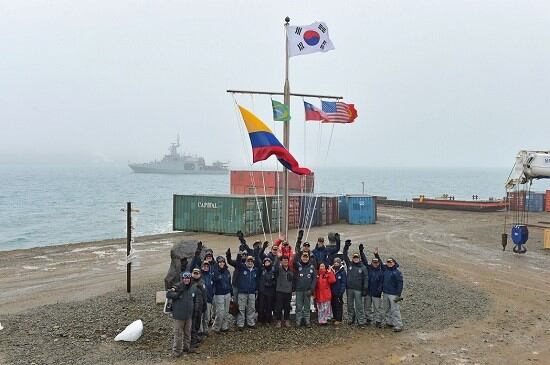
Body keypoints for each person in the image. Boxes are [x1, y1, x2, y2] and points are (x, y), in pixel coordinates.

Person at [166, 272, 194, 357]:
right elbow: (168, 294)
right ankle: (177, 351)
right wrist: (178, 294)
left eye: (188, 278)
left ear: (190, 279)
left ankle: (186, 348)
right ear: (182, 278)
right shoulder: (178, 286)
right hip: (178, 317)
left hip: (188, 316)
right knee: (178, 334)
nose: (186, 279)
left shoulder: (191, 287)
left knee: (188, 333)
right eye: (185, 278)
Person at [343, 240, 368, 326]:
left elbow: (366, 278)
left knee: (359, 306)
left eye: (357, 258)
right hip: (349, 289)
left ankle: (360, 320)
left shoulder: (363, 267)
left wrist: (365, 288)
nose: (355, 259)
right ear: (352, 258)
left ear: (359, 258)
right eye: (354, 258)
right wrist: (346, 247)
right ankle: (351, 318)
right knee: (349, 305)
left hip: (358, 290)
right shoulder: (349, 265)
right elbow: (344, 256)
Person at [360, 245, 384, 327]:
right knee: (367, 307)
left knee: (377, 308)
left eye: (376, 262)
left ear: (378, 263)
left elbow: (382, 283)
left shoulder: (381, 272)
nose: (375, 264)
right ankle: (368, 319)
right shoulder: (368, 268)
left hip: (376, 293)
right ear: (372, 263)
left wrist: (379, 290)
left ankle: (378, 321)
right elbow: (364, 260)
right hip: (368, 292)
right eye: (374, 262)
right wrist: (361, 251)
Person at [235, 253, 259, 329]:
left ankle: (250, 323)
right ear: (246, 262)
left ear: (253, 262)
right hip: (242, 292)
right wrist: (239, 256)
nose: (250, 262)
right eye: (248, 261)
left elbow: (257, 281)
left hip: (252, 292)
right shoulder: (242, 268)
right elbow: (238, 263)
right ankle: (240, 324)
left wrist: (256, 289)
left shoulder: (256, 270)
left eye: (251, 261)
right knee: (241, 308)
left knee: (251, 308)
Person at [293, 251, 317, 327]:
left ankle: (307, 321)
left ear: (308, 258)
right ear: (301, 257)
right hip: (299, 290)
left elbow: (314, 279)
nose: (305, 258)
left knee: (307, 306)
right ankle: (298, 321)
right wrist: (299, 246)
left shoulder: (312, 267)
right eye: (303, 257)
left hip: (308, 290)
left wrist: (312, 289)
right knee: (298, 306)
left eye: (306, 257)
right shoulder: (298, 265)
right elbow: (294, 259)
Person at [381, 256, 404, 332]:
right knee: (386, 309)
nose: (389, 263)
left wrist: (398, 295)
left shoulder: (397, 272)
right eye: (388, 262)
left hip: (393, 294)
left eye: (391, 262)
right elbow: (380, 263)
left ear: (394, 263)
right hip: (385, 293)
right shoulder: (385, 270)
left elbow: (400, 284)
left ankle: (398, 325)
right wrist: (376, 255)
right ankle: (389, 322)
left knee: (395, 309)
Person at [211, 255, 232, 333]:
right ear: (217, 263)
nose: (222, 263)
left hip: (227, 293)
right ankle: (216, 327)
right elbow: (213, 280)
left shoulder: (227, 271)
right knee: (220, 312)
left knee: (226, 312)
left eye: (223, 262)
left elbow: (229, 283)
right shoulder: (215, 271)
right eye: (220, 262)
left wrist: (231, 293)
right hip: (218, 294)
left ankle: (224, 326)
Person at [274, 255, 294, 328]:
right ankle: (278, 320)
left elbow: (293, 280)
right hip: (280, 291)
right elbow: (275, 267)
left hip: (288, 291)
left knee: (287, 307)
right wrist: (277, 259)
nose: (285, 261)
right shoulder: (278, 269)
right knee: (279, 307)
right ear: (281, 261)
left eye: (286, 260)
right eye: (284, 260)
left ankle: (287, 320)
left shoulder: (291, 270)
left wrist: (293, 289)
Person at [190, 268, 207, 351]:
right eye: (194, 273)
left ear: (200, 274)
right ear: (192, 274)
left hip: (200, 307)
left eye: (197, 273)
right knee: (192, 326)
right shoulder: (189, 283)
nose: (196, 274)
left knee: (197, 324)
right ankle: (192, 342)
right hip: (192, 309)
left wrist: (205, 304)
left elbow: (204, 295)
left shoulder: (202, 282)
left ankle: (195, 337)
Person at [257, 257, 277, 325]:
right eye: (265, 262)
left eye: (268, 262)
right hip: (262, 291)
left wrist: (271, 284)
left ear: (270, 263)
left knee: (269, 307)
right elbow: (258, 259)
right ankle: (260, 320)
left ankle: (268, 321)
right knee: (261, 306)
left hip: (270, 292)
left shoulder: (273, 271)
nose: (267, 263)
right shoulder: (261, 270)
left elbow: (275, 281)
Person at [330, 257, 347, 325]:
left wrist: (341, 291)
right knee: (333, 304)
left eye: (337, 262)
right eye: (335, 262)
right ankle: (334, 317)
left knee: (339, 305)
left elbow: (343, 282)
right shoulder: (331, 270)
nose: (336, 263)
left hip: (338, 291)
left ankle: (339, 319)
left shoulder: (342, 271)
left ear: (340, 263)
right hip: (332, 291)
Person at [199, 260, 214, 336]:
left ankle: (205, 330)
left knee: (206, 317)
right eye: (204, 266)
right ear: (201, 267)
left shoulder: (211, 275)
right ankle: (200, 331)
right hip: (201, 300)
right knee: (200, 316)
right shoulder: (199, 276)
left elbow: (213, 286)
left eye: (207, 266)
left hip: (208, 299)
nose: (205, 267)